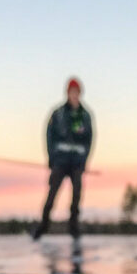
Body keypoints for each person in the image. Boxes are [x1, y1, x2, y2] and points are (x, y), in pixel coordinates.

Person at [32, 78, 93, 240]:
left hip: (77, 163)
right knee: (52, 194)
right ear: (67, 93)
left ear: (80, 94)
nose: (74, 95)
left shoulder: (85, 116)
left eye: (77, 92)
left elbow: (89, 139)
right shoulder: (58, 113)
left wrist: (84, 160)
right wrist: (51, 157)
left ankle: (74, 229)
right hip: (60, 161)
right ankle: (43, 226)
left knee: (77, 196)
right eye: (72, 92)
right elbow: (49, 135)